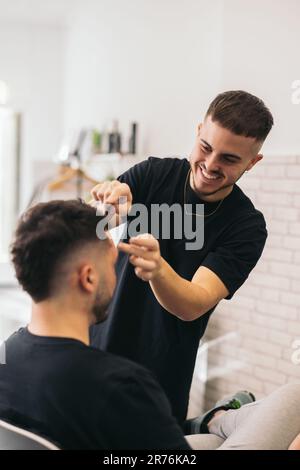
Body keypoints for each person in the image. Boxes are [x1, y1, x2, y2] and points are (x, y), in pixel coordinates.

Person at [0, 199, 299, 450]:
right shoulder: (120, 385)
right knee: (295, 397)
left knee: (209, 440)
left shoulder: (6, 354)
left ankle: (215, 421)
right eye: (111, 263)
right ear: (88, 278)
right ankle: (217, 420)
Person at [90, 90, 274, 426]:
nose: (211, 165)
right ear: (198, 130)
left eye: (229, 159)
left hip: (158, 379)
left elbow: (193, 304)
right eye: (205, 147)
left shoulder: (245, 225)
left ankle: (211, 419)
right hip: (96, 352)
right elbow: (96, 224)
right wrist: (106, 203)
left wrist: (159, 269)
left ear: (253, 161)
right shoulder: (152, 175)